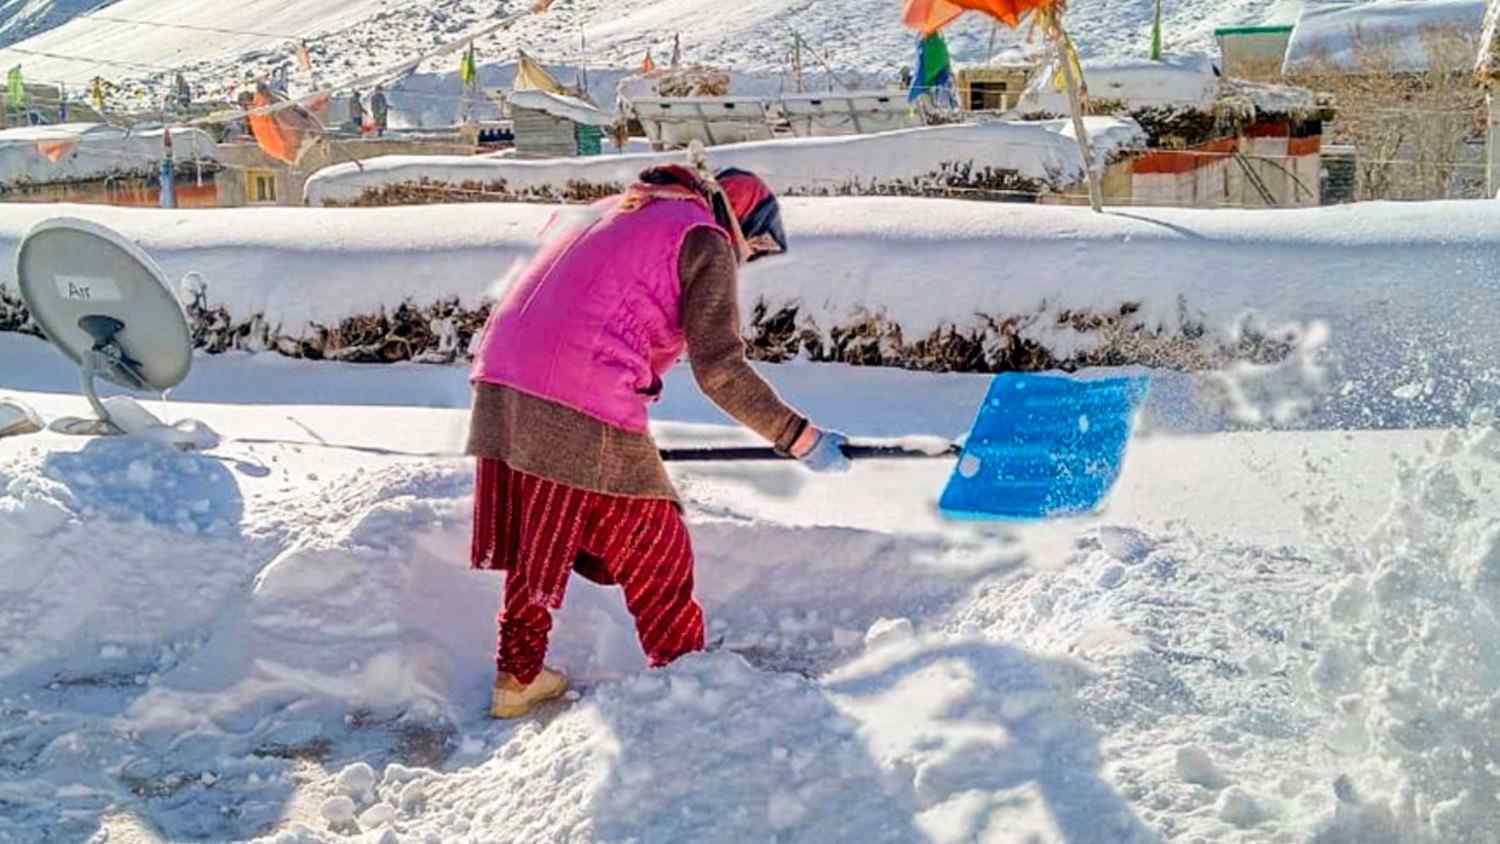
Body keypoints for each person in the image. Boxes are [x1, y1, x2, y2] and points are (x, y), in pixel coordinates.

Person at [467, 162, 844, 718]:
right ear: (737, 220)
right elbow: (719, 368)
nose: (744, 260)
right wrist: (798, 436)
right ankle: (686, 674)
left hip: (503, 379)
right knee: (654, 540)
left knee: (540, 531)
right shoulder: (703, 236)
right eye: (753, 247)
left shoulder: (617, 211)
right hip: (578, 392)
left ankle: (517, 675)